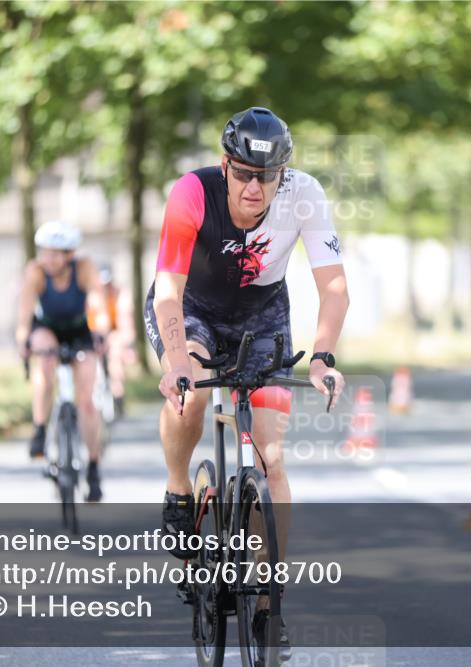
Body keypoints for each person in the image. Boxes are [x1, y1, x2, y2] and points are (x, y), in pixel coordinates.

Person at [143, 106, 349, 657]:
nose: (254, 188)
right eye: (242, 174)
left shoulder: (304, 194)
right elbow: (167, 290)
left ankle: (267, 606)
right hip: (193, 308)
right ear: (224, 165)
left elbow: (333, 289)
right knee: (188, 389)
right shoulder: (191, 193)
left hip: (262, 317)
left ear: (285, 173)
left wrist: (324, 357)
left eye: (268, 176)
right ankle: (178, 485)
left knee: (272, 456)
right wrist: (178, 364)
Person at [15, 221, 109, 502]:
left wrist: (101, 332)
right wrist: (23, 341)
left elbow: (98, 303)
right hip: (48, 329)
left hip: (80, 330)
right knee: (44, 361)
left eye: (55, 253)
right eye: (45, 252)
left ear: (69, 255)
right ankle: (40, 428)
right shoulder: (35, 272)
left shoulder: (84, 268)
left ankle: (93, 466)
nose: (48, 259)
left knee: (87, 401)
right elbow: (24, 313)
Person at [87, 265, 133, 418]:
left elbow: (126, 321)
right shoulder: (92, 295)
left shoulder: (120, 295)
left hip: (115, 334)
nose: (105, 288)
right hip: (95, 335)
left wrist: (126, 343)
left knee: (115, 359)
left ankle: (118, 397)